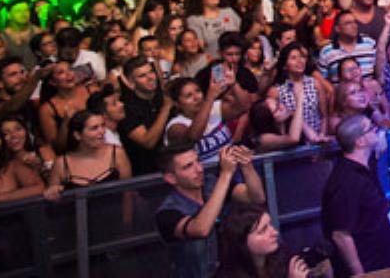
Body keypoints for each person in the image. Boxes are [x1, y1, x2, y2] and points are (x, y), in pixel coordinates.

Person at [154, 143, 266, 278]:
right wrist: (225, 174)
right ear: (171, 178)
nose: (199, 169)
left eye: (198, 161)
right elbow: (201, 229)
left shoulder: (212, 183)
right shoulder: (167, 213)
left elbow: (256, 198)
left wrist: (246, 165)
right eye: (188, 166)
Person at [321, 115, 390, 275]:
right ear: (360, 141)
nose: (375, 129)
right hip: (369, 267)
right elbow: (340, 234)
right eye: (371, 128)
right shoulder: (345, 181)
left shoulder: (365, 166)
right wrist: (359, 273)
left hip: (384, 261)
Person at [44, 109, 132, 198]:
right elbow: (52, 199)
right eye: (94, 128)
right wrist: (52, 192)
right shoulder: (61, 164)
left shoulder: (117, 153)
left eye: (103, 126)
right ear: (78, 135)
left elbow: (128, 194)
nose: (102, 131)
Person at [216, 203, 313, 278]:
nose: (275, 232)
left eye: (270, 224)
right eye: (263, 231)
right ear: (242, 242)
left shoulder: (283, 256)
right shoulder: (227, 275)